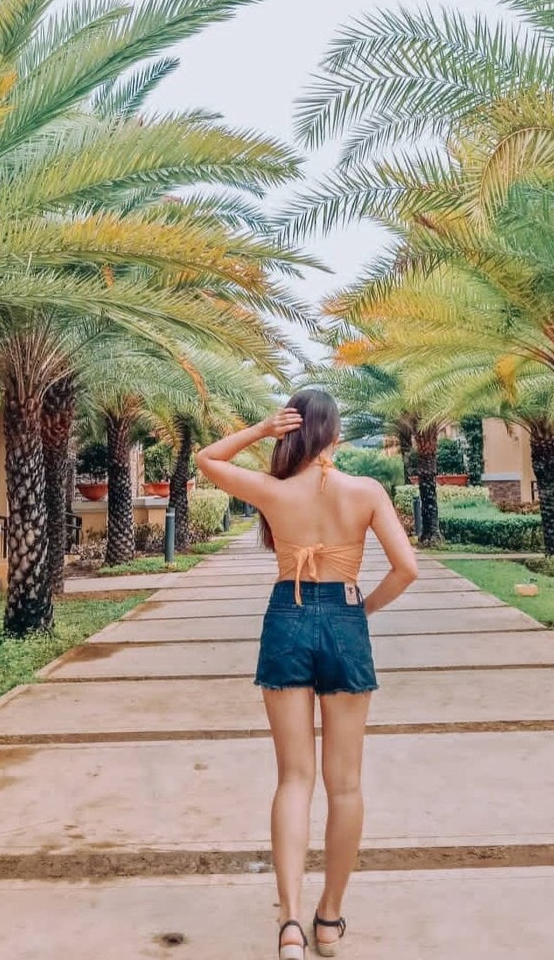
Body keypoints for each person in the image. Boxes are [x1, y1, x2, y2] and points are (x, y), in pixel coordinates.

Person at [196, 389, 418, 959]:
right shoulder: (366, 492)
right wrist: (359, 610)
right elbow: (406, 569)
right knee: (344, 785)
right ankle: (328, 919)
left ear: (293, 433)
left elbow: (208, 459)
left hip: (286, 619)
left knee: (294, 779)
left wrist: (259, 430)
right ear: (336, 436)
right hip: (343, 617)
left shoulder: (273, 490)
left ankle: (290, 924)